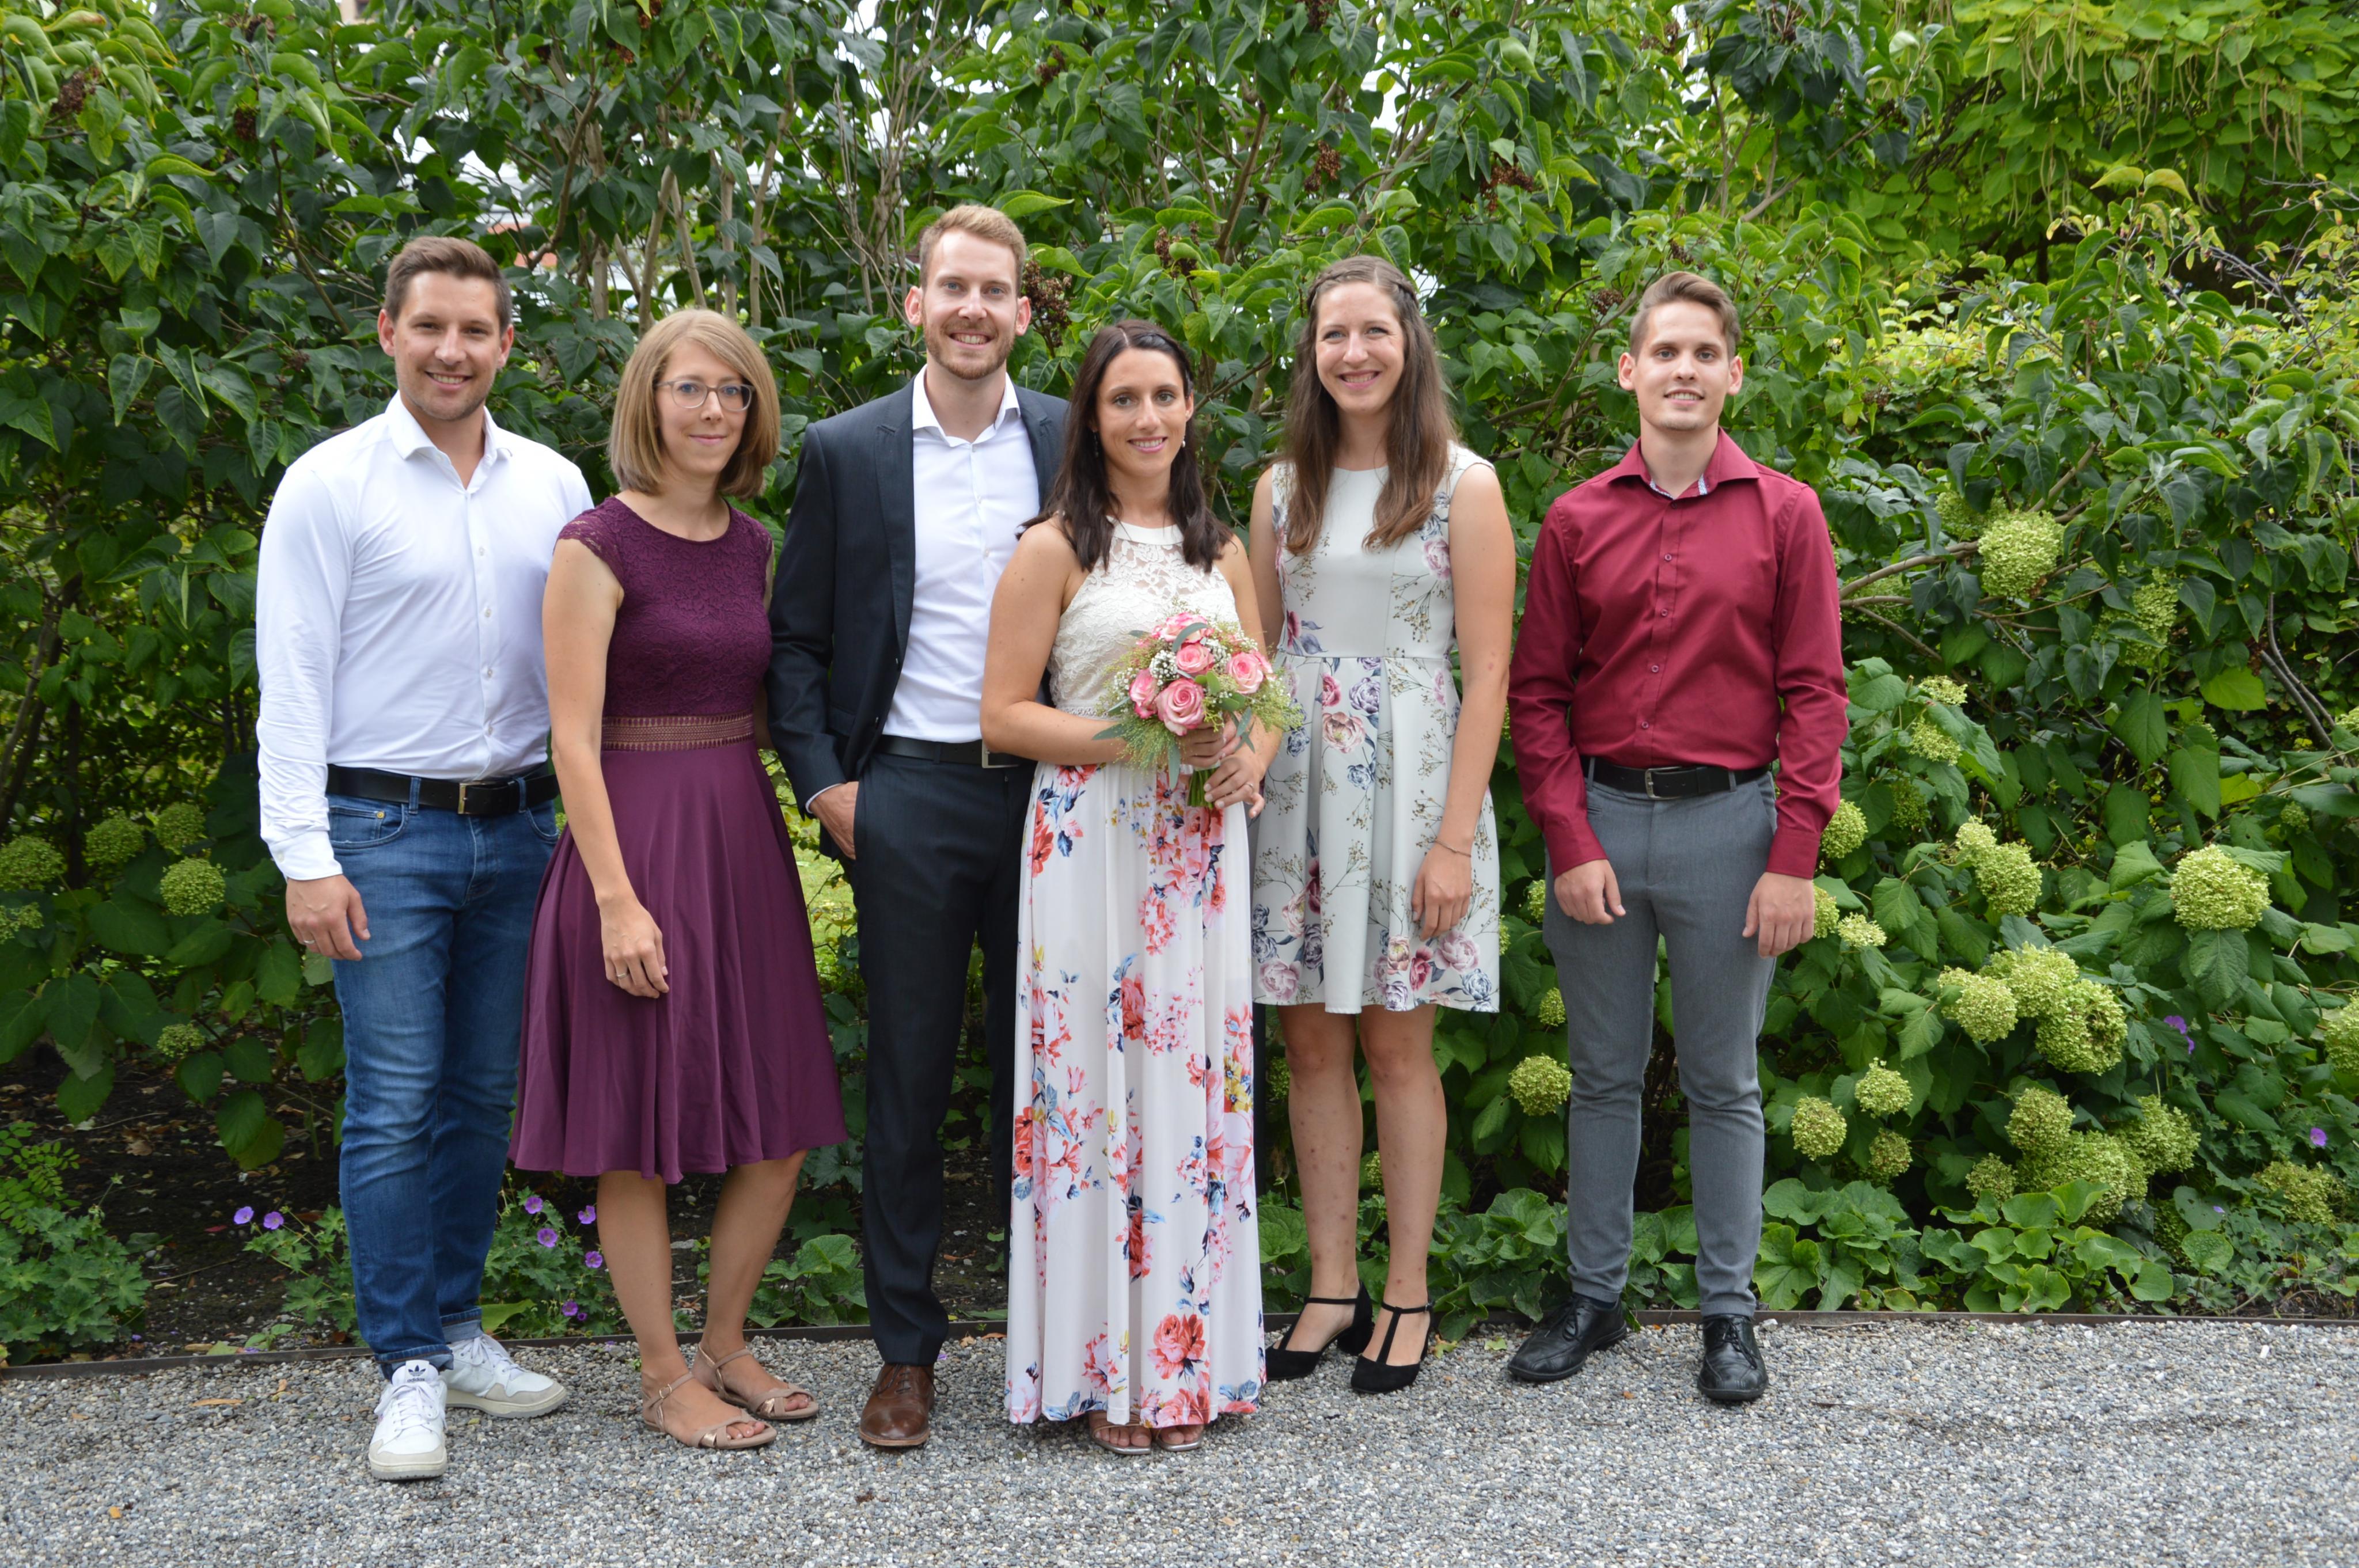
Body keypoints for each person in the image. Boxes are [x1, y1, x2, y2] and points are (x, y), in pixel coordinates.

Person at [256, 236, 591, 1482]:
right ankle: (403, 1363)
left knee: (482, 1096)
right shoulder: (329, 485)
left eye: (476, 330)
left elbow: (584, 665)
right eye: (431, 327)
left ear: (507, 344)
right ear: (389, 333)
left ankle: (456, 1330)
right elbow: (292, 679)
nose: (453, 351)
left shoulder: (552, 484)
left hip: (520, 828)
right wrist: (303, 856)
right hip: (380, 835)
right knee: (394, 1102)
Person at [1505, 271, 1846, 1403]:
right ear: (1629, 371)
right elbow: (1538, 694)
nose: (1684, 371)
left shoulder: (1786, 515)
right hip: (1601, 822)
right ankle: (1593, 1298)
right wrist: (1568, 837)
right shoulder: (1576, 520)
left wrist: (1792, 858)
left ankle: (1727, 1314)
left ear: (1733, 374)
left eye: (1704, 353)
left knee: (1722, 1081)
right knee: (1601, 1076)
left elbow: (1816, 693)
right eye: (1665, 352)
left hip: (1729, 829)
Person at [510, 309, 845, 1451]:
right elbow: (569, 737)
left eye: (734, 392)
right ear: (647, 402)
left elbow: (777, 698)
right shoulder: (594, 544)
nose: (713, 410)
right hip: (633, 847)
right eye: (690, 388)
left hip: (739, 844)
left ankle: (725, 1344)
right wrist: (614, 901)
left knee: (780, 1118)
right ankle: (661, 1375)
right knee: (635, 1129)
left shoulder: (755, 547)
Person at [765, 205, 1067, 1450]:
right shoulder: (847, 451)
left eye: (994, 291)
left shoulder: (1069, 438)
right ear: (916, 304)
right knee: (907, 1077)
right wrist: (830, 789)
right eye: (952, 288)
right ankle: (904, 1352)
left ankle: (1052, 1337)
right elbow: (796, 640)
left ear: (1023, 314)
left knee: (1047, 1075)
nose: (971, 310)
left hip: (1055, 796)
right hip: (909, 794)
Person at [981, 320, 1273, 1455]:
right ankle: (1102, 1373)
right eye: (1122, 400)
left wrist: (1247, 753)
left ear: (1190, 408)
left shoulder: (1220, 549)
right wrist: (1139, 736)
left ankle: (1186, 1370)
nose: (1146, 418)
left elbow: (1263, 692)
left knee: (1190, 1092)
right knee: (1095, 1092)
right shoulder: (1054, 546)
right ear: (1091, 419)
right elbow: (1003, 715)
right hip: (1092, 844)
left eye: (1163, 396)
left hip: (1198, 852)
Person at [1246, 256, 1514, 1394]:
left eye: (1372, 332)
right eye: (1332, 335)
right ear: (1310, 354)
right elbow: (1259, 659)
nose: (1352, 353)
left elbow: (1487, 672)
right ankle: (1329, 1285)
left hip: (1412, 791)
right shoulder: (1279, 491)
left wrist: (1451, 843)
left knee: (1399, 1047)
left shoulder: (1462, 484)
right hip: (1299, 788)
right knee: (1310, 1045)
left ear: (1409, 343)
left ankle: (1406, 1289)